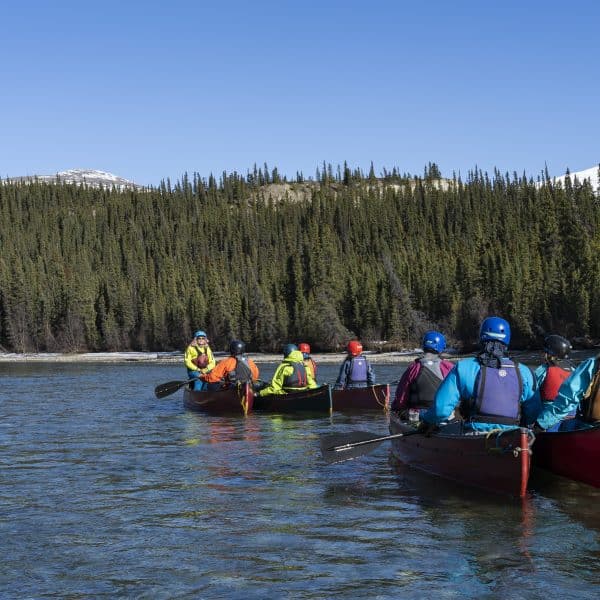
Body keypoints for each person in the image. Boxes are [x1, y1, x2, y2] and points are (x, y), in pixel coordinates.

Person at [419, 316, 538, 433]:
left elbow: (441, 411)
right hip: (513, 437)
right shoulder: (525, 372)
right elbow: (533, 412)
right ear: (507, 340)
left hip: (473, 434)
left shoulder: (464, 367)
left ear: (482, 337)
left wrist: (426, 420)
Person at [391, 330, 455, 420]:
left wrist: (396, 408)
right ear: (441, 347)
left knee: (401, 411)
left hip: (418, 415)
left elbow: (401, 397)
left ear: (424, 346)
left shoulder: (413, 368)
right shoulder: (449, 367)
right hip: (443, 414)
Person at [534, 351, 600, 432]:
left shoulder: (594, 364)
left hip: (589, 429)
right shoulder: (573, 368)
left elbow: (569, 399)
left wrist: (540, 424)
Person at [532, 334, 574, 431]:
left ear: (549, 354)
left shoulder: (543, 370)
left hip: (549, 418)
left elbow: (531, 392)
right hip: (572, 418)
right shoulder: (574, 370)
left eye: (544, 351)